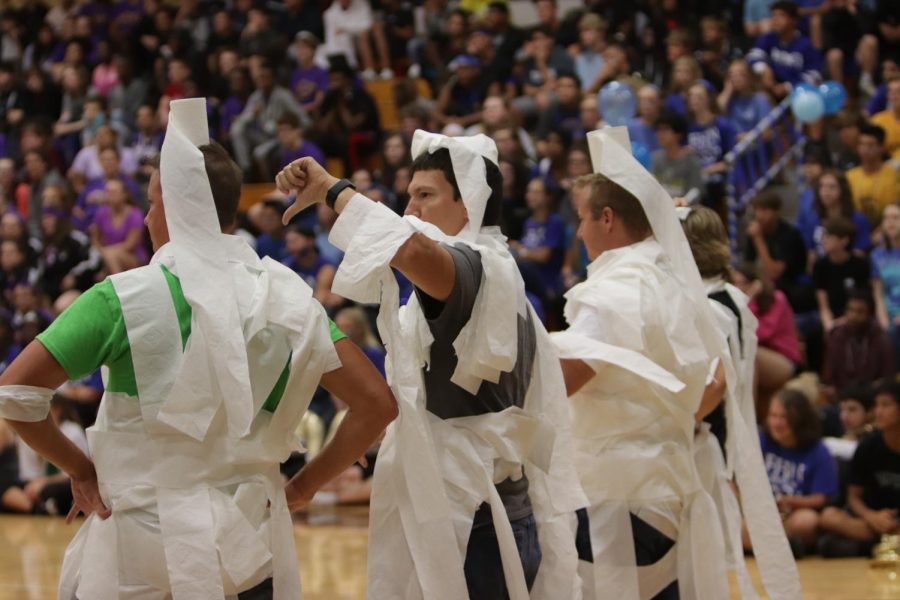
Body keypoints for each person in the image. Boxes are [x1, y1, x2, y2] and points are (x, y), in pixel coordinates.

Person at [0, 98, 397, 598]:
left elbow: (15, 393)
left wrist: (80, 470)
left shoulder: (119, 296)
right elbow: (376, 405)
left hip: (140, 543)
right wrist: (303, 486)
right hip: (250, 537)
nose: (146, 219)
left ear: (174, 205)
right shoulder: (290, 297)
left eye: (152, 203)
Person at [275, 130, 586, 599]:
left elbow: (413, 249)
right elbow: (406, 407)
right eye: (408, 197)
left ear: (470, 205)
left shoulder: (476, 268)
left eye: (425, 196)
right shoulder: (492, 274)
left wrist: (332, 192)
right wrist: (315, 478)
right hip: (475, 512)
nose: (410, 211)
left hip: (477, 522)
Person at [551, 130, 729, 600]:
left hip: (615, 495)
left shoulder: (615, 291)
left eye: (582, 220)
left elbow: (559, 384)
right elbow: (709, 380)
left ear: (606, 218)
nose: (579, 233)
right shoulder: (674, 283)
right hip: (665, 487)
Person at [679, 205, 801, 600]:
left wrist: (677, 422)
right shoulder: (729, 294)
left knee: (696, 562)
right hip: (722, 436)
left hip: (701, 441)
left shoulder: (712, 307)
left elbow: (716, 382)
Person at [819, 381, 900, 557]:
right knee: (829, 516)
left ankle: (871, 548)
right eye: (876, 405)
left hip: (895, 524)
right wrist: (872, 517)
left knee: (831, 544)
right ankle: (884, 546)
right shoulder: (868, 447)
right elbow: (853, 497)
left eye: (886, 405)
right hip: (871, 522)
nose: (878, 411)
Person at [759, 388, 839, 555]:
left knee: (808, 521)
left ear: (800, 421)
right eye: (773, 416)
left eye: (785, 418)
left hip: (791, 514)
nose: (777, 423)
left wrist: (788, 501)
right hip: (759, 512)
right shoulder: (761, 440)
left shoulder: (818, 451)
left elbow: (821, 498)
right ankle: (781, 547)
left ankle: (763, 545)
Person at [732, 263, 802, 421]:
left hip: (783, 359)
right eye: (734, 283)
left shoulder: (777, 299)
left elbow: (759, 333)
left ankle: (746, 418)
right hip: (759, 355)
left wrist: (747, 301)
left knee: (750, 354)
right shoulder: (736, 303)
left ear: (756, 284)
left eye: (741, 282)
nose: (737, 287)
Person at [822, 289, 894, 395]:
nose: (853, 316)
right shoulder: (837, 337)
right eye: (850, 310)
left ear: (870, 315)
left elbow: (888, 379)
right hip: (843, 400)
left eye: (860, 312)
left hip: (873, 400)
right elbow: (830, 377)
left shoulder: (881, 339)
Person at [747, 1, 823, 99]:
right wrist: (763, 69)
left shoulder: (806, 45)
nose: (775, 20)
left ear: (793, 20)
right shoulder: (769, 38)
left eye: (781, 15)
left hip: (796, 96)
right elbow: (752, 56)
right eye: (773, 15)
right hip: (770, 90)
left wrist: (788, 87)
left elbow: (814, 75)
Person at [812, 218, 871, 334]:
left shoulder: (860, 264)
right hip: (830, 316)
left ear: (844, 240)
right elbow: (823, 305)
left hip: (855, 316)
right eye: (823, 236)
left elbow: (864, 301)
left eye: (829, 236)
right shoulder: (820, 266)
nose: (824, 240)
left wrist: (842, 321)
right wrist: (829, 324)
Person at [846, 124, 899, 228]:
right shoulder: (849, 176)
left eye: (870, 145)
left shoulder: (895, 175)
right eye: (861, 144)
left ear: (882, 147)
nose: (865, 150)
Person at [652, 110, 703, 205]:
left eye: (665, 129)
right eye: (658, 129)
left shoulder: (691, 161)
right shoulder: (654, 158)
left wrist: (684, 201)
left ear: (678, 133)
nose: (660, 134)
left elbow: (696, 190)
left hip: (683, 211)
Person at [871, 204, 900, 360]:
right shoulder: (877, 255)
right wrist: (884, 321)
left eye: (896, 218)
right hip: (889, 317)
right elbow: (878, 294)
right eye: (886, 218)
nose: (890, 222)